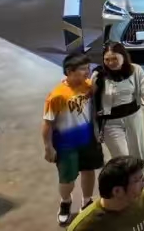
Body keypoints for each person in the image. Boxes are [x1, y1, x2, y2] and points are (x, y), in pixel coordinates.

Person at [44, 52, 103, 226]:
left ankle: (87, 201)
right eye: (83, 69)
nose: (87, 72)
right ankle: (65, 202)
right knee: (67, 180)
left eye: (88, 68)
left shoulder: (88, 86)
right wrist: (48, 147)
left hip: (88, 140)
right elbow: (47, 123)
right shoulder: (57, 95)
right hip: (66, 145)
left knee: (89, 171)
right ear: (70, 71)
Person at [92, 43, 144, 176]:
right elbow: (88, 97)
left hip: (133, 117)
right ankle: (126, 185)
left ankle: (141, 183)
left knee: (138, 153)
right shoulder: (99, 75)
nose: (111, 63)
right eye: (107, 59)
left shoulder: (136, 70)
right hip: (110, 122)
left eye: (115, 58)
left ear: (123, 57)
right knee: (121, 158)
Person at [67, 156, 144, 231]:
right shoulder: (84, 226)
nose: (143, 183)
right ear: (117, 191)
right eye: (137, 180)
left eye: (142, 178)